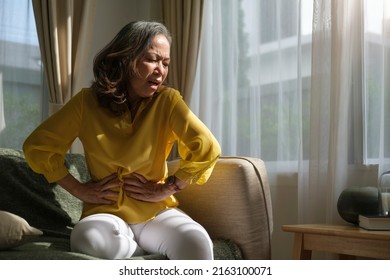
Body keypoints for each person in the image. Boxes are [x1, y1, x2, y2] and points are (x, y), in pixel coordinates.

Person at [23, 21, 221, 260]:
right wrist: (79, 189)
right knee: (89, 239)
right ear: (126, 59)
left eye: (165, 63)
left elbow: (207, 147)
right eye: (152, 59)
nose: (161, 70)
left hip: (156, 212)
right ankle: (139, 254)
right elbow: (39, 147)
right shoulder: (86, 102)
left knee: (196, 240)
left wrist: (168, 187)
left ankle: (138, 251)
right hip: (105, 213)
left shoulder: (168, 101)